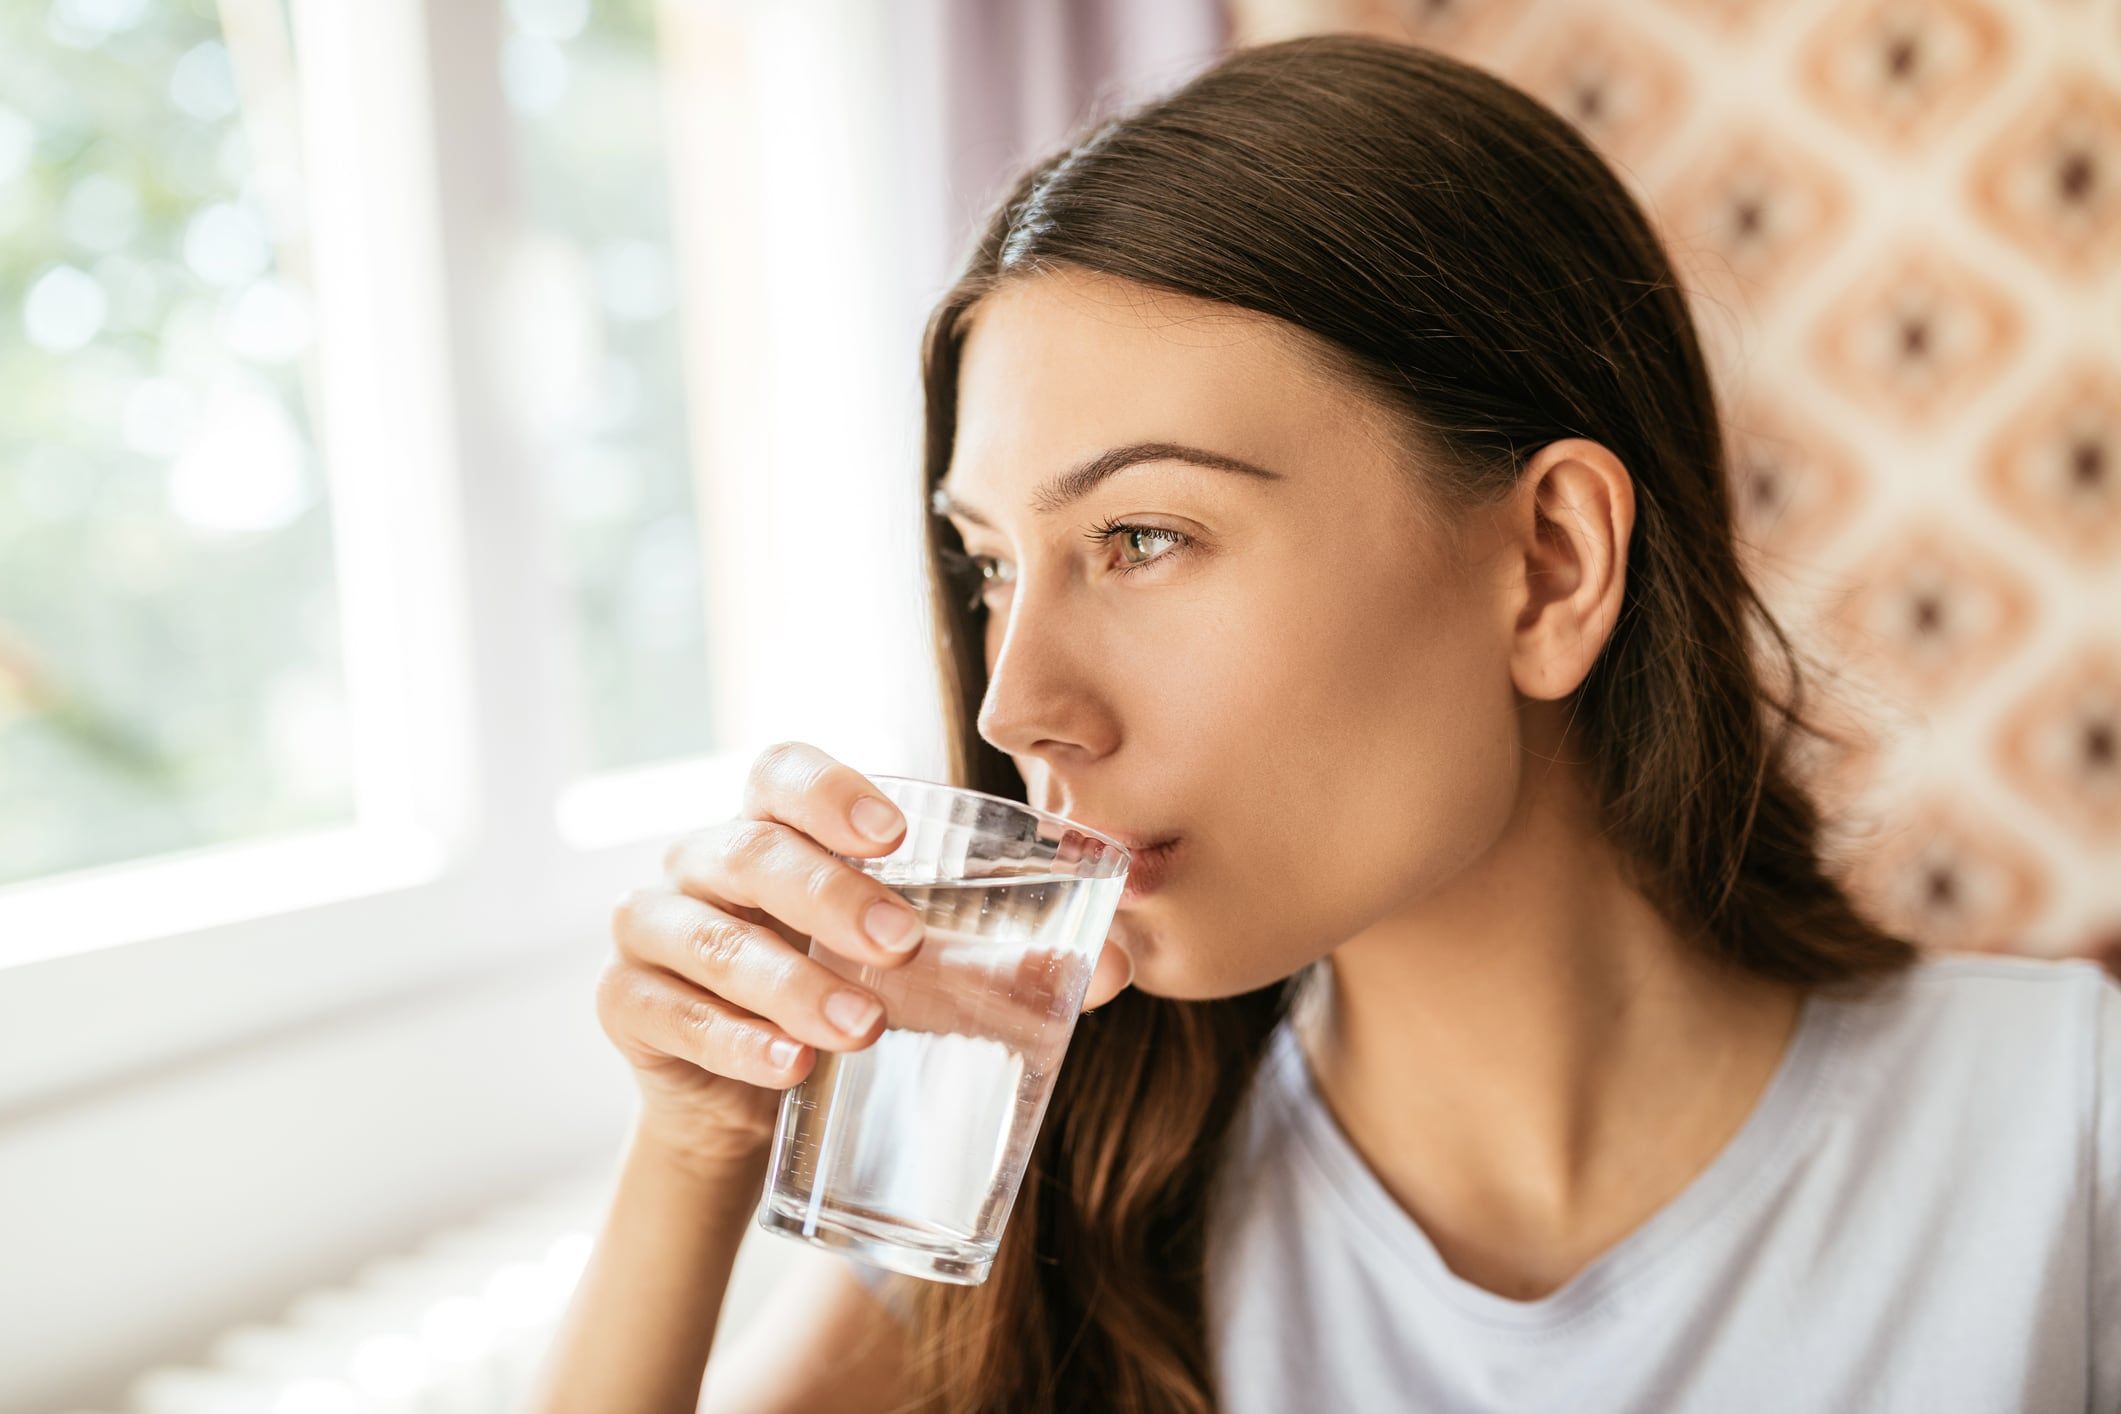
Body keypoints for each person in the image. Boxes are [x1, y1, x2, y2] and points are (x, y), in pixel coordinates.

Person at [530, 34, 2121, 1414]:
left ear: (1549, 564)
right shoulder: (1054, 1194)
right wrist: (693, 1140)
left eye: (1142, 537)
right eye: (990, 564)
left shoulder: (2064, 1134)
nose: (1019, 703)